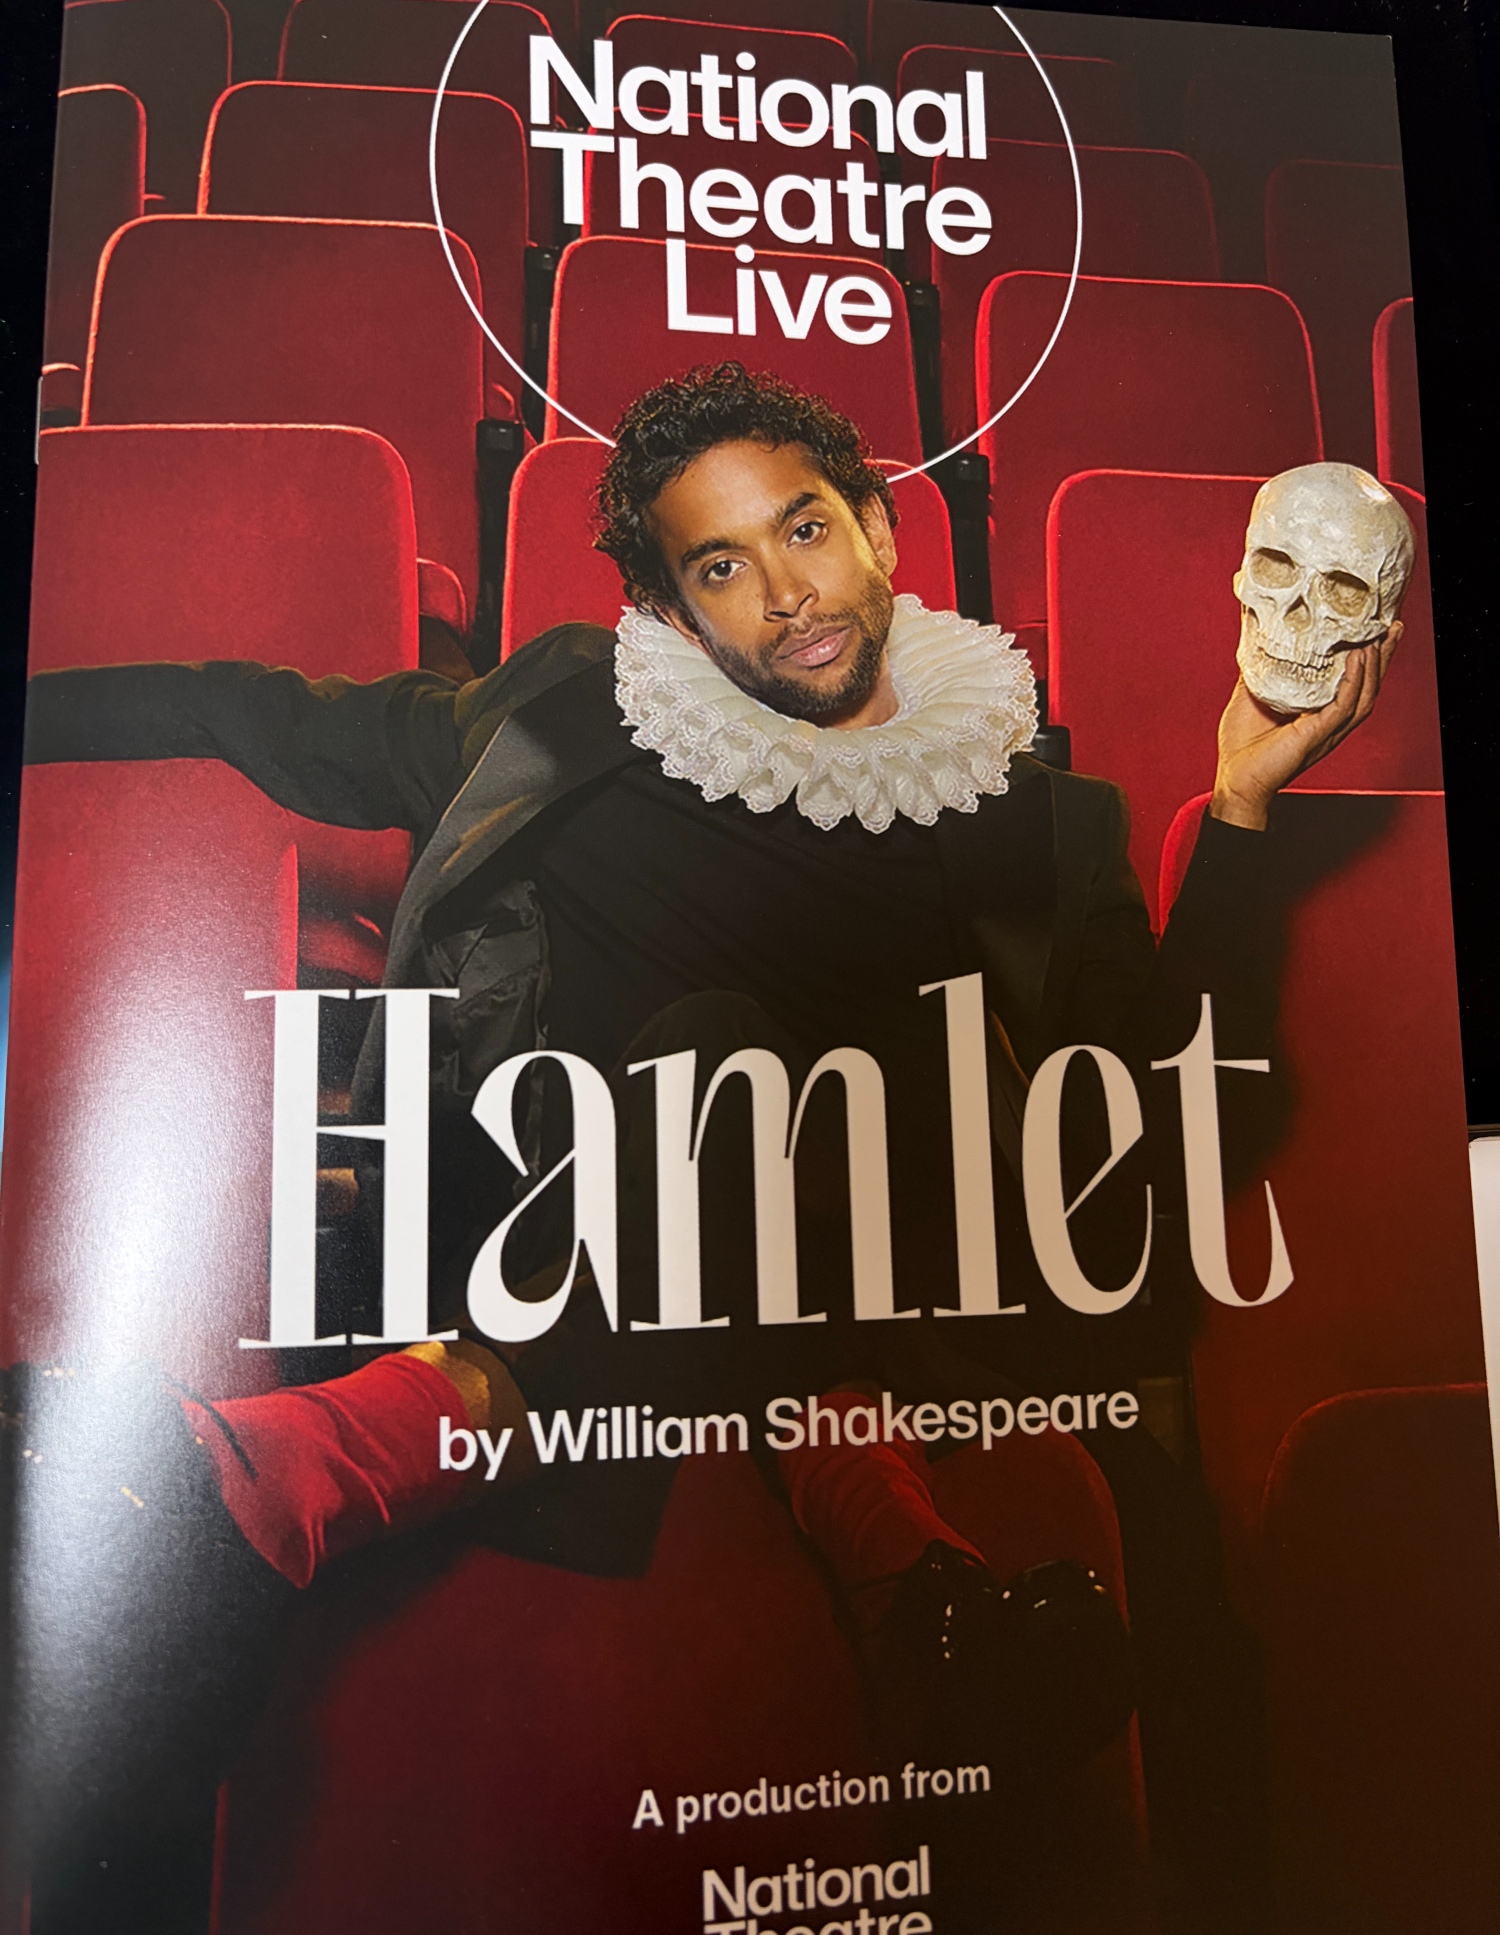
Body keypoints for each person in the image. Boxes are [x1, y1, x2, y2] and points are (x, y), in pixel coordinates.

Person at [11, 363, 1398, 1925]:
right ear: (673, 611)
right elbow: (250, 708)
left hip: (858, 1266)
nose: (785, 594)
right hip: (538, 1218)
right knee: (715, 1051)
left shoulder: (1031, 821)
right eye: (722, 566)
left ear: (879, 530)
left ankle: (287, 1479)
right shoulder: (561, 716)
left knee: (751, 1068)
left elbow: (1158, 1114)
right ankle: (898, 1562)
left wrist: (1240, 801)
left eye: (805, 529)